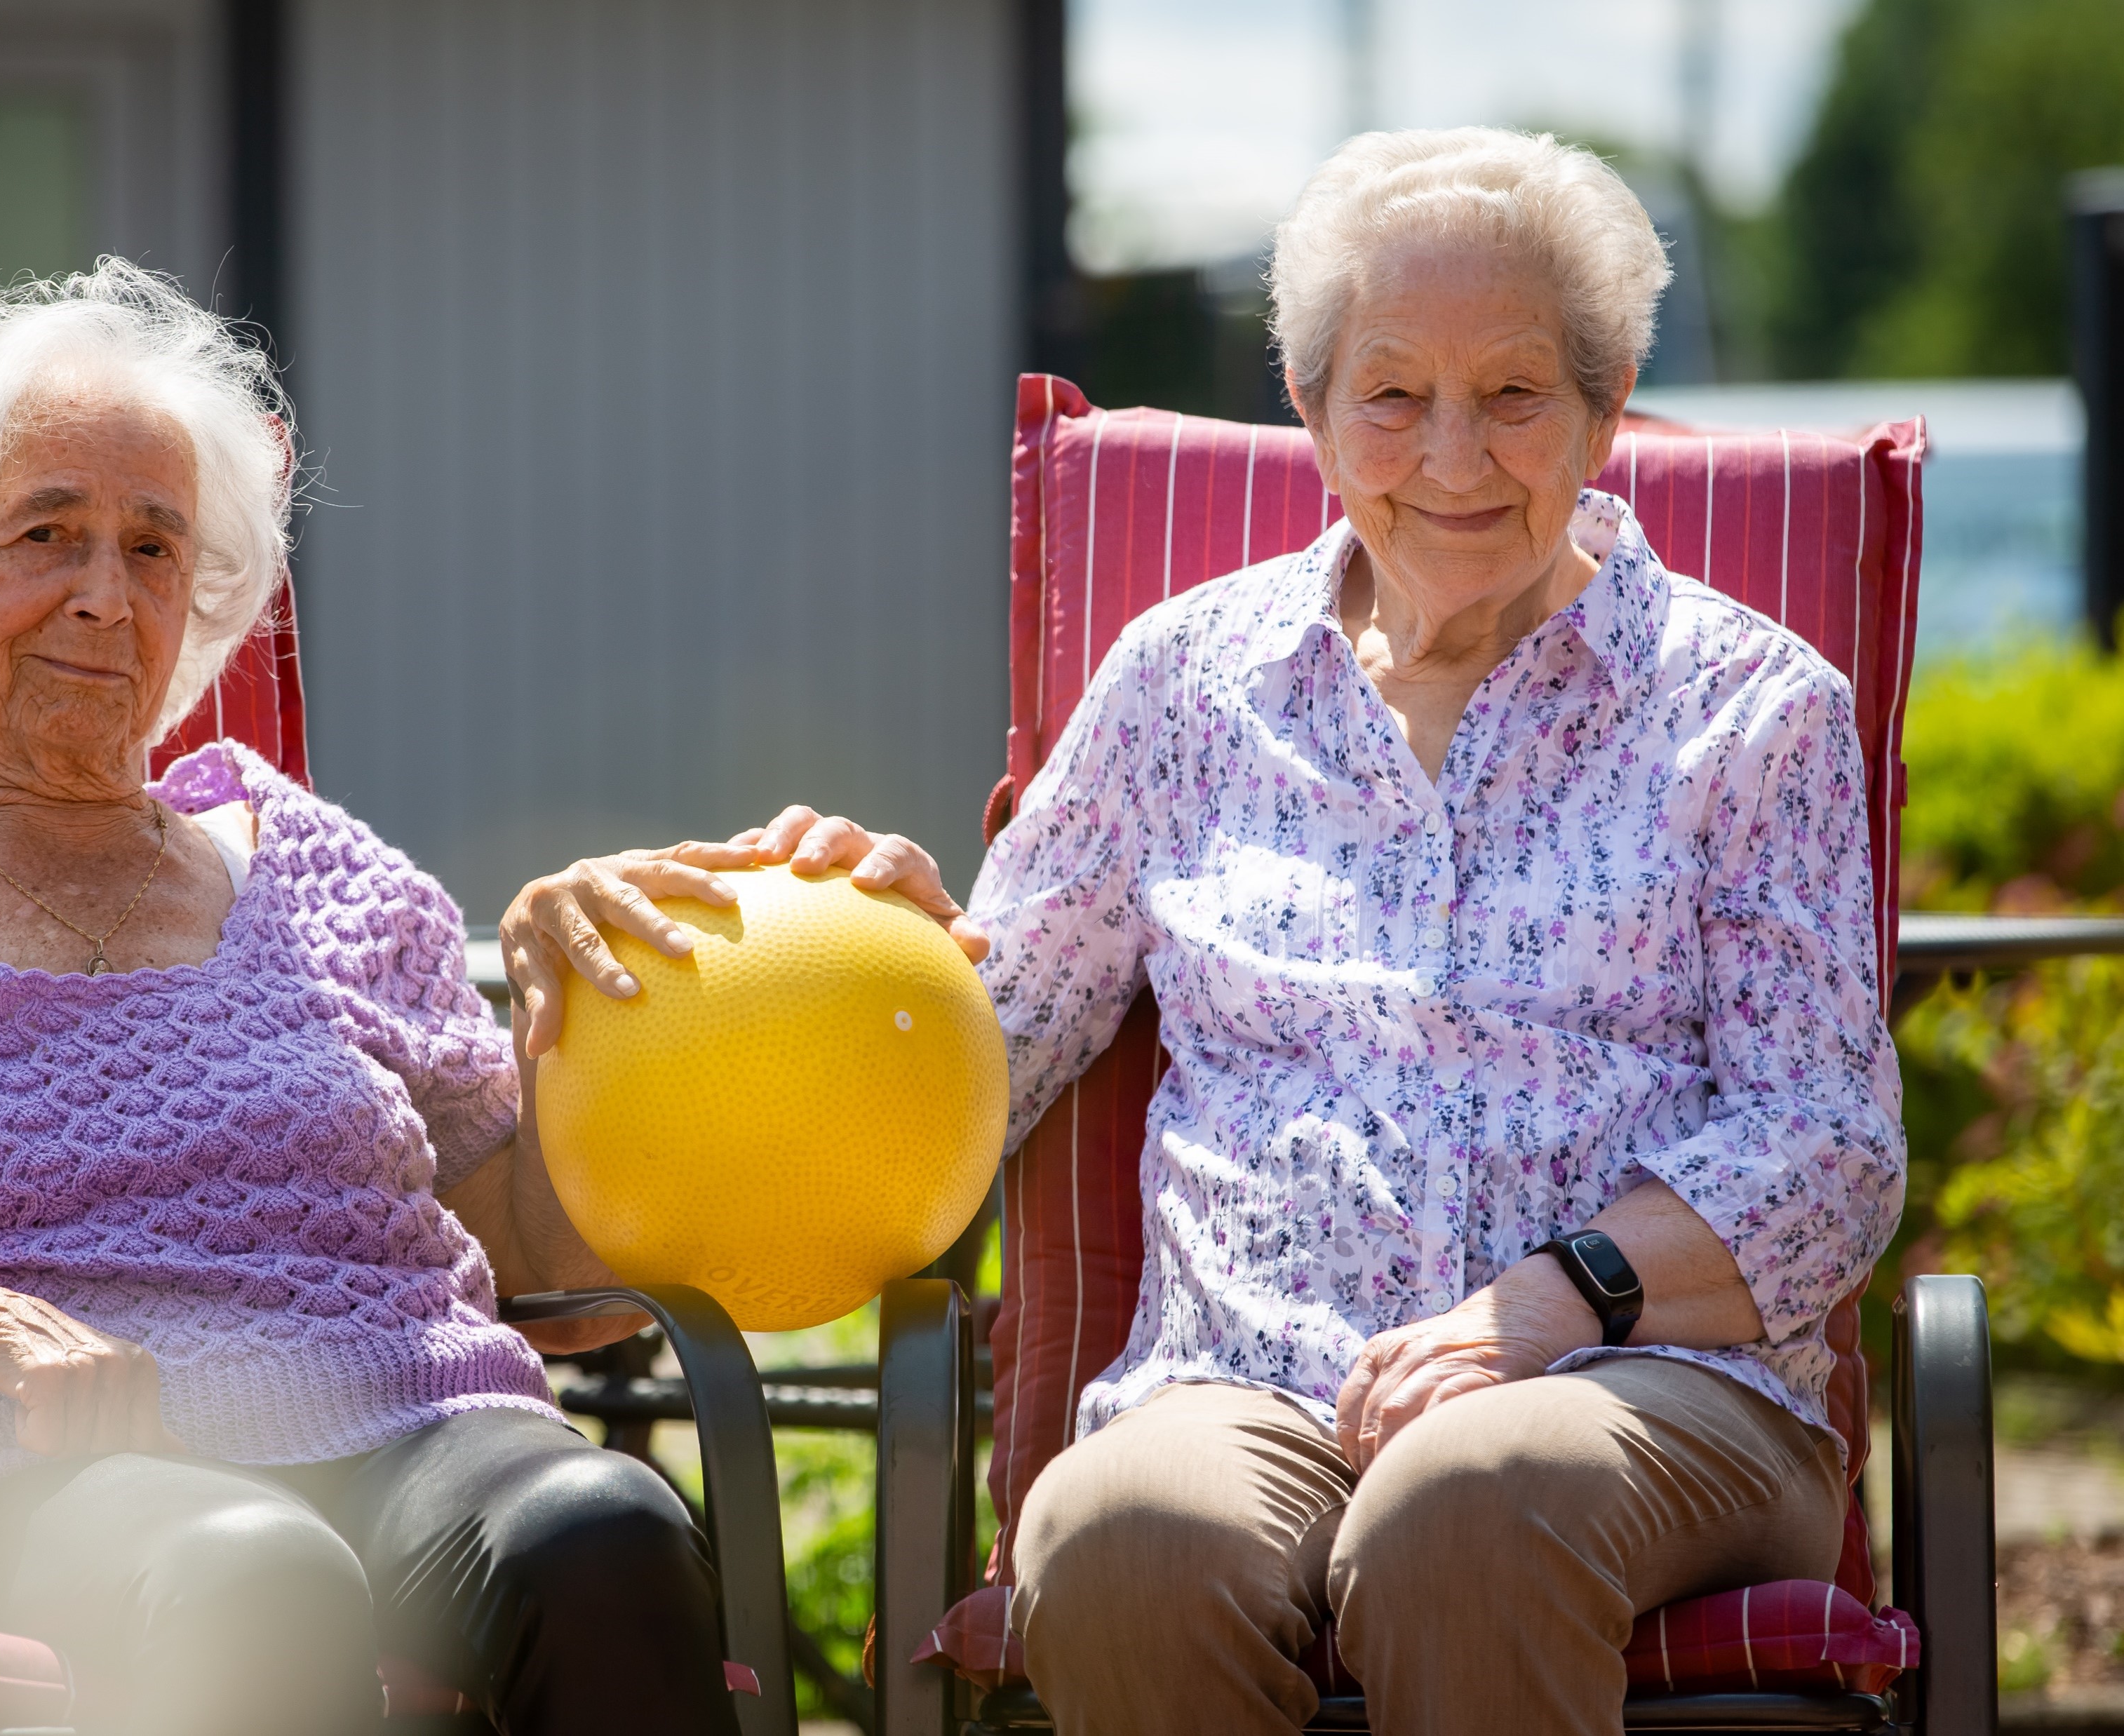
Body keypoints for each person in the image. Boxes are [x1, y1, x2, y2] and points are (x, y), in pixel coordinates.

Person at [519, 128, 1904, 1736]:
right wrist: (842, 942)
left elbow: (1828, 1144)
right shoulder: (1183, 686)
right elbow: (983, 1043)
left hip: (1636, 1390)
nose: (1451, 452)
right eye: (1390, 394)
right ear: (1309, 410)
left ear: (1604, 410)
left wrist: (1549, 1299)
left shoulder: (1747, 710)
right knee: (1123, 1537)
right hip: (1242, 1383)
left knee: (1464, 1506)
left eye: (1514, 393)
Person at [0, 260, 756, 1736]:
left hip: (415, 1419)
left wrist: (610, 1010)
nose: (104, 595)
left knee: (602, 1532)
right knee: (252, 1577)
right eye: (45, 532)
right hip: (14, 1473)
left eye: (153, 548)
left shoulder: (326, 873)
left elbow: (548, 1264)